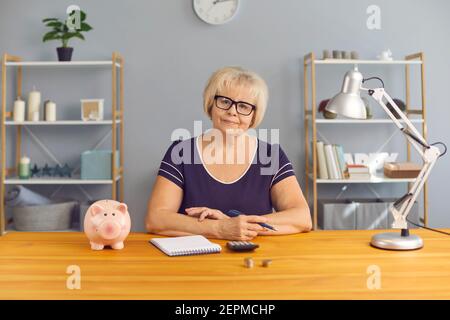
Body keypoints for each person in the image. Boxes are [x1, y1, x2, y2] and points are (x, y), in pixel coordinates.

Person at [146, 67, 311, 240]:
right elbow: (156, 219)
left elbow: (302, 217)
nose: (232, 111)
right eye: (225, 101)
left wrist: (239, 225)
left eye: (243, 106)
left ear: (254, 115)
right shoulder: (181, 152)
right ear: (211, 104)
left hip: (255, 260)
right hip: (194, 261)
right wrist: (218, 228)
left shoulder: (270, 155)